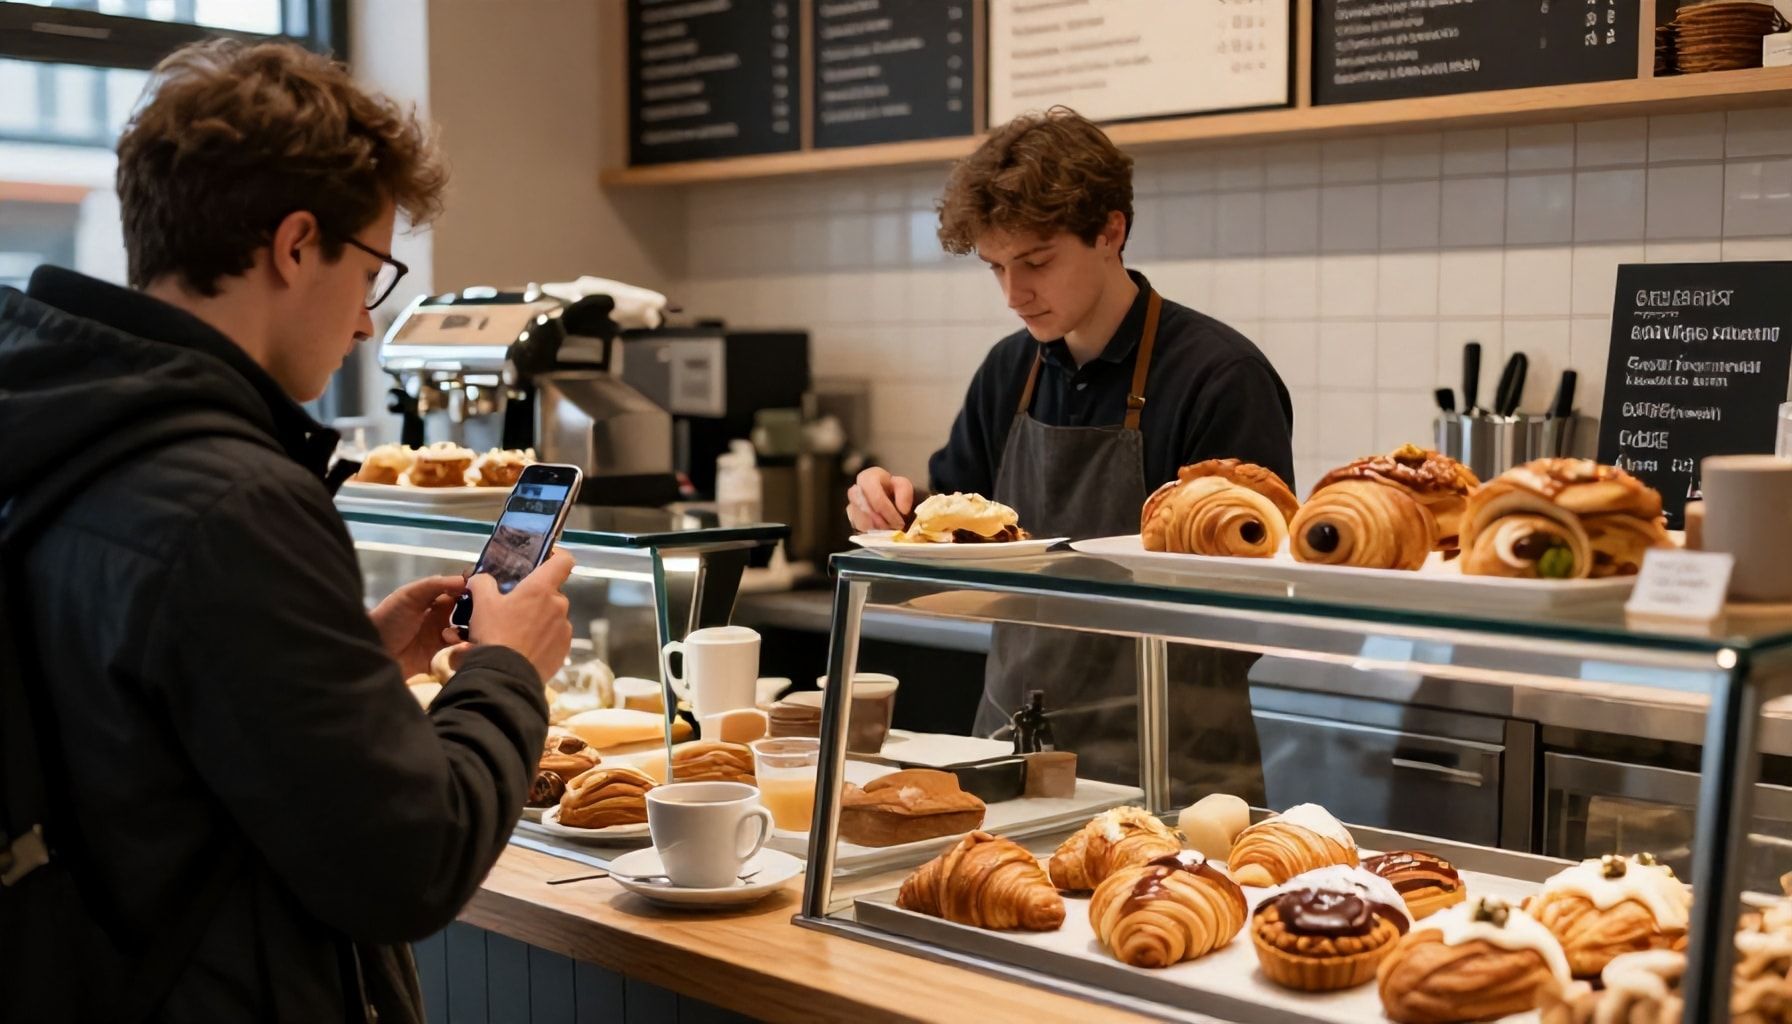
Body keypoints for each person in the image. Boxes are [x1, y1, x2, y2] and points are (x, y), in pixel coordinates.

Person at [0, 40, 569, 1022]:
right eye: (374, 270)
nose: (362, 323)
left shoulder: (60, 423)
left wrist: (355, 662)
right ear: (296, 244)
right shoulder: (233, 500)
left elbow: (142, 740)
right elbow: (410, 863)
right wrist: (506, 672)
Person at [845, 108, 1295, 800]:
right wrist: (890, 513)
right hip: (1012, 753)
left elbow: (1251, 609)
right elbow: (947, 550)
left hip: (1174, 771)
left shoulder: (1218, 377)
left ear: (1110, 231)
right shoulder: (1008, 372)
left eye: (1036, 262)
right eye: (996, 267)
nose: (1014, 294)